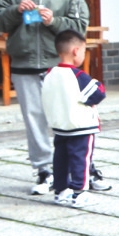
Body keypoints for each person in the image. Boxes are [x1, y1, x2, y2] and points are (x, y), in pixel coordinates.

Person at [0, 0, 94, 195]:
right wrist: (15, 11)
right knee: (34, 119)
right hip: (24, 64)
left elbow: (80, 27)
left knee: (70, 118)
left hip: (60, 67)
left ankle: (83, 168)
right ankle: (44, 170)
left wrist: (53, 21)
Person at [40, 30, 106, 206]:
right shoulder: (78, 76)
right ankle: (80, 192)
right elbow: (97, 94)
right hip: (80, 126)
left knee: (60, 159)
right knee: (81, 159)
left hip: (60, 125)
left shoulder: (49, 73)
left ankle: (61, 191)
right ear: (76, 51)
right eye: (83, 50)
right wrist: (98, 83)